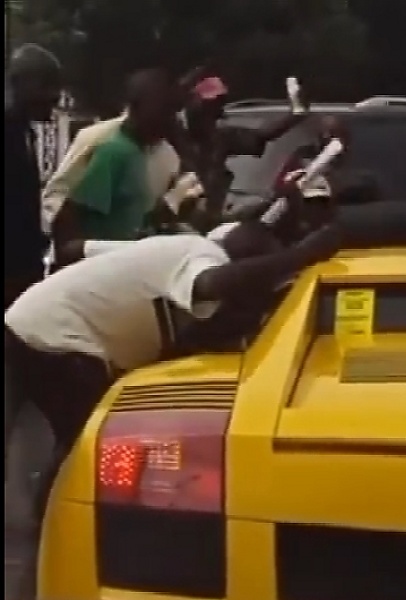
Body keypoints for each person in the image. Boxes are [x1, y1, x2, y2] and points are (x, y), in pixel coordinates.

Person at [5, 220, 339, 600]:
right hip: (59, 339)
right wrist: (299, 256)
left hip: (26, 321)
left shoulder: (166, 248)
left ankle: (47, 523)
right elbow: (214, 285)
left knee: (73, 438)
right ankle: (65, 535)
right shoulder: (201, 256)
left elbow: (75, 249)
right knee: (89, 444)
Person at [51, 68, 186, 263]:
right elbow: (67, 216)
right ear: (136, 107)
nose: (170, 120)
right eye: (163, 111)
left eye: (172, 112)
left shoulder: (144, 154)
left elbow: (135, 217)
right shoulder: (114, 151)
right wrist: (73, 264)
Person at [174, 72, 311, 230]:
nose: (210, 115)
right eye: (206, 107)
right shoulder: (172, 136)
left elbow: (262, 135)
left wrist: (296, 114)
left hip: (207, 223)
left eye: (215, 108)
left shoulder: (220, 138)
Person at [5, 44, 63, 309]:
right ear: (22, 83)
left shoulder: (24, 131)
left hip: (24, 265)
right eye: (47, 86)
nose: (56, 96)